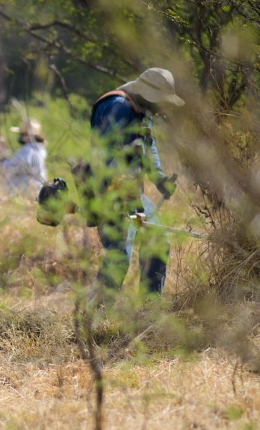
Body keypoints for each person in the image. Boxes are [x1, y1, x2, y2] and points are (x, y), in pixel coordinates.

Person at [79, 67, 183, 299]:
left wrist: (159, 180)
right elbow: (106, 152)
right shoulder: (119, 107)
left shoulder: (140, 110)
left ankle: (150, 309)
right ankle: (95, 316)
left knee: (156, 239)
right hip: (109, 194)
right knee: (119, 257)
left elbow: (148, 145)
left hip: (131, 196)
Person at [1, 118, 48, 197]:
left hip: (24, 194)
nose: (21, 137)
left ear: (29, 135)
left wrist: (3, 156)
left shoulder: (27, 151)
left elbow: (9, 169)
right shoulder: (40, 150)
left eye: (23, 134)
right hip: (38, 193)